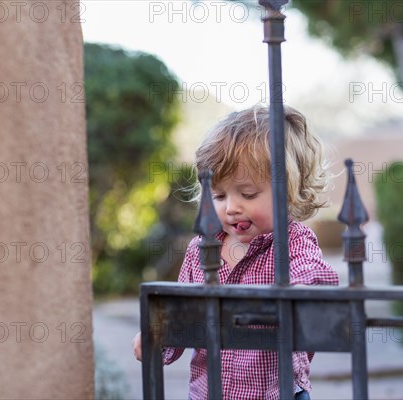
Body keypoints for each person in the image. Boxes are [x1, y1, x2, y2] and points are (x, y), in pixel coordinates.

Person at [133, 105, 339, 400]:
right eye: (218, 196)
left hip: (275, 392)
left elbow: (314, 272)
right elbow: (180, 311)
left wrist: (302, 291)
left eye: (248, 194)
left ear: (289, 190)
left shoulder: (293, 241)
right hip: (209, 392)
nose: (231, 207)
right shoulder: (201, 250)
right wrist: (157, 337)